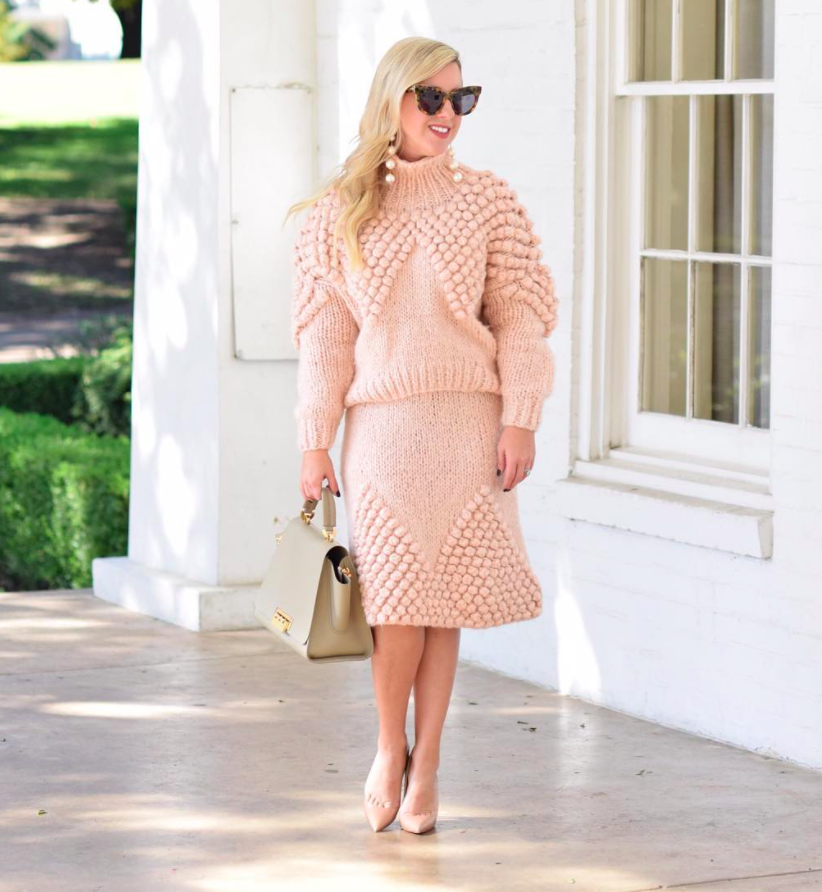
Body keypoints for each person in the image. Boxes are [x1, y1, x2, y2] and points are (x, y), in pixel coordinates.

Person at [284, 35, 558, 834]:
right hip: (382, 433)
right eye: (429, 98)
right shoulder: (336, 212)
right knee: (396, 603)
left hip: (469, 426)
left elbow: (521, 321)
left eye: (460, 99)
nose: (446, 114)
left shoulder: (489, 202)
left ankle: (428, 761)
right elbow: (325, 339)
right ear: (391, 100)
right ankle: (386, 749)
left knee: (446, 605)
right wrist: (312, 438)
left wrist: (520, 419)